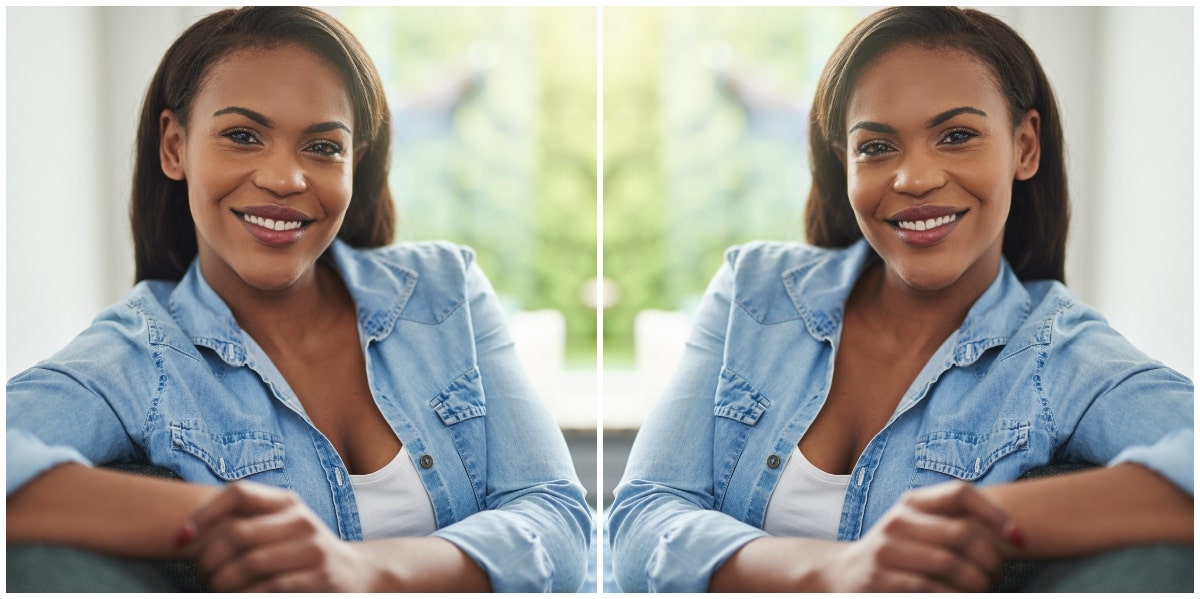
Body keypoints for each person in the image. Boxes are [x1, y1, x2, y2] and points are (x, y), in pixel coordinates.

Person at [608, 6, 1192, 592]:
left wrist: (980, 520)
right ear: (846, 164)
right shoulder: (755, 289)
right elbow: (639, 524)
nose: (914, 178)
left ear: (1025, 147)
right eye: (877, 147)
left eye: (957, 136)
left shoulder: (1061, 356)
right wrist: (837, 570)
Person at [6, 7, 590, 592]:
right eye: (242, 136)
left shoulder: (444, 288)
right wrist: (219, 519)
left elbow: (559, 522)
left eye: (323, 146)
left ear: (354, 162)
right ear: (175, 146)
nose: (285, 178)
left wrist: (361, 570)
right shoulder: (139, 355)